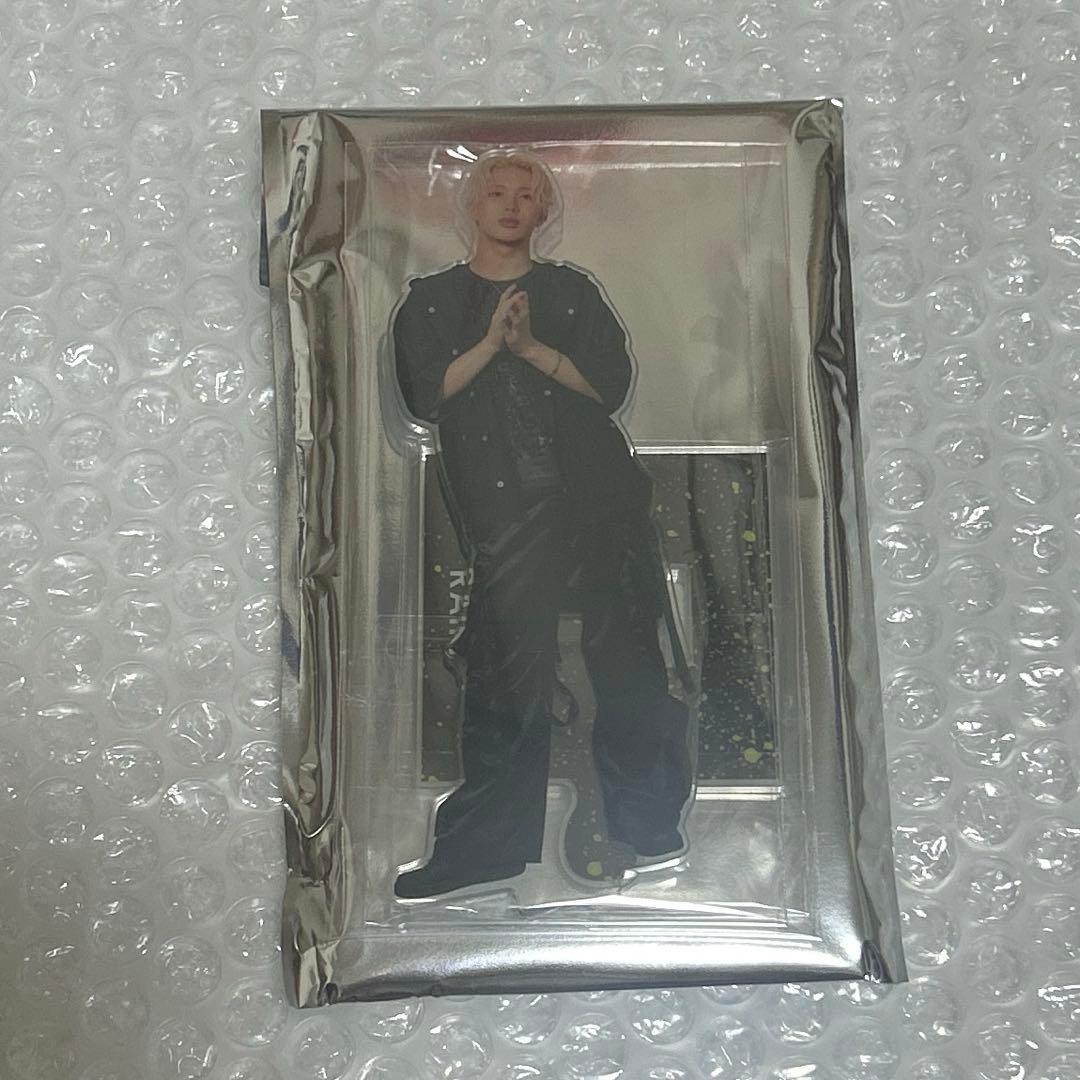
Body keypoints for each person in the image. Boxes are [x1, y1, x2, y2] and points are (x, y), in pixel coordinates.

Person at [391, 148, 691, 899]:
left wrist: (530, 348)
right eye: (495, 190)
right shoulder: (433, 300)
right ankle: (486, 849)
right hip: (506, 512)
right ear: (471, 204)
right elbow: (425, 393)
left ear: (544, 210)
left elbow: (609, 386)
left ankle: (648, 827)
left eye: (527, 194)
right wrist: (491, 343)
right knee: (503, 673)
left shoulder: (570, 292)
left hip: (599, 498)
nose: (510, 204)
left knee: (627, 661)